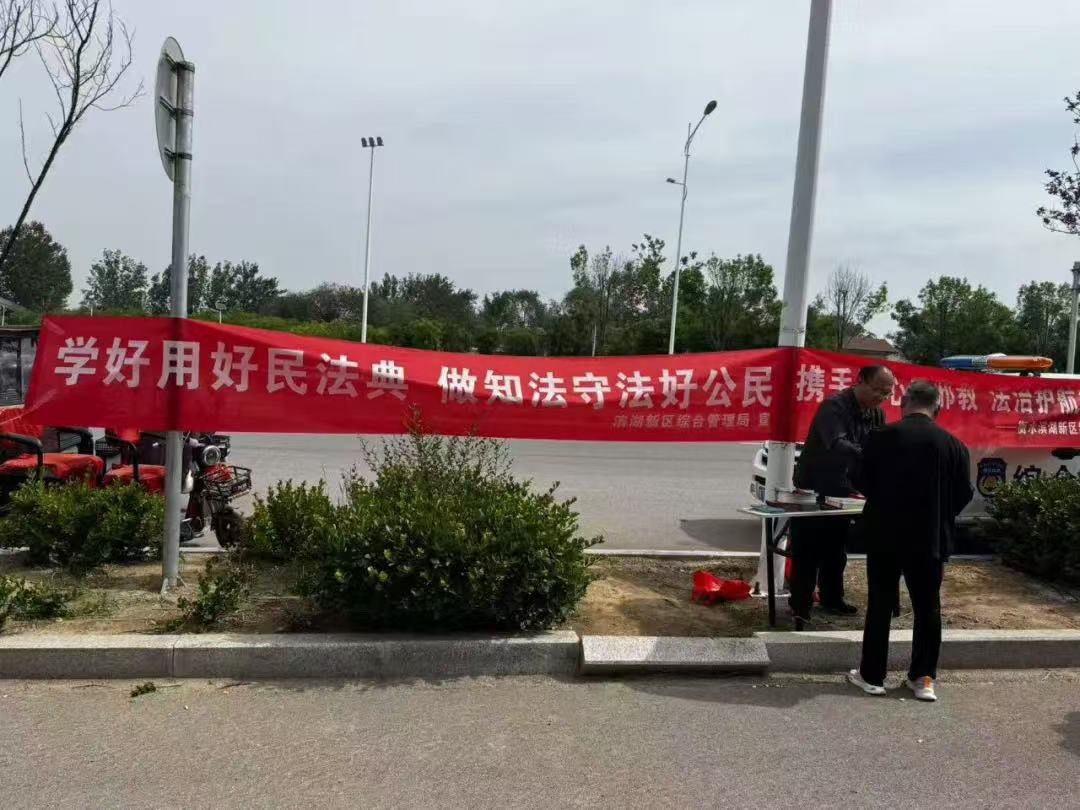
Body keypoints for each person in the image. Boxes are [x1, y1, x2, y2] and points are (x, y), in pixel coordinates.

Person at [847, 380, 973, 702]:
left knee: (880, 603)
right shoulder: (954, 446)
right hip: (930, 538)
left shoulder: (880, 436)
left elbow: (859, 479)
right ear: (937, 408)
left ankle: (872, 677)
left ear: (903, 404)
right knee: (928, 607)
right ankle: (923, 678)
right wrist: (937, 515)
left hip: (885, 534)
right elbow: (962, 494)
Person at [789, 365, 894, 626]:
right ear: (860, 381)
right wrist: (869, 455)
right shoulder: (834, 407)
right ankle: (800, 605)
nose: (881, 397)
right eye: (877, 390)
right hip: (814, 486)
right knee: (808, 548)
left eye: (887, 393)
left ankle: (832, 598)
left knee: (836, 548)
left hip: (845, 488)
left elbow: (879, 444)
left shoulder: (876, 413)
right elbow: (837, 443)